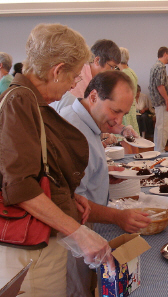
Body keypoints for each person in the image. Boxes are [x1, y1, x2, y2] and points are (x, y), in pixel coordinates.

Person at [0, 23, 113, 297]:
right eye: (74, 76)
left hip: (39, 245)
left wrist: (63, 194)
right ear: (57, 70)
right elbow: (20, 188)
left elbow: (38, 170)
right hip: (31, 249)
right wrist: (79, 232)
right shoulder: (19, 102)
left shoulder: (30, 101)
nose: (75, 84)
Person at [60, 70, 151, 296]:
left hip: (86, 232)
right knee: (78, 289)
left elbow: (82, 174)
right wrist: (118, 217)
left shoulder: (88, 124)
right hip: (76, 237)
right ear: (93, 97)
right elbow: (73, 205)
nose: (118, 121)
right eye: (115, 111)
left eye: (124, 114)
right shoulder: (74, 131)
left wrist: (101, 176)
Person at [50, 39, 122, 113]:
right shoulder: (80, 75)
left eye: (115, 68)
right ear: (97, 60)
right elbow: (75, 110)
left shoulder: (96, 80)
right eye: (111, 67)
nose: (113, 71)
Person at [149, 46, 168, 153]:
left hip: (158, 103)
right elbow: (160, 85)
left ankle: (158, 150)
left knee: (159, 127)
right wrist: (167, 100)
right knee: (163, 128)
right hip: (162, 103)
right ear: (164, 54)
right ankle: (160, 151)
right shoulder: (160, 67)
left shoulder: (155, 66)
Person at [118, 47, 140, 153]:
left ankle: (130, 161)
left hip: (125, 109)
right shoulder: (131, 71)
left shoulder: (124, 73)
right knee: (132, 138)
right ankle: (136, 158)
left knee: (125, 138)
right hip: (130, 108)